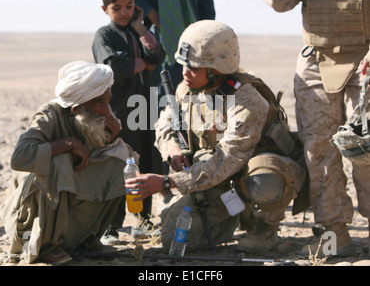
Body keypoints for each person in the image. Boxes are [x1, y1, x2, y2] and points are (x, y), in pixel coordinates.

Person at [125, 20, 307, 253]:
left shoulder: (245, 99)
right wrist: (173, 150)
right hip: (215, 178)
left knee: (263, 178)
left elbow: (230, 157)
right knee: (174, 238)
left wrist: (167, 182)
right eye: (184, 65)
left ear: (216, 70)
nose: (184, 73)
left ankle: (264, 230)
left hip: (253, 173)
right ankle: (235, 213)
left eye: (193, 68)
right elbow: (164, 124)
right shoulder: (185, 90)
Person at [263, 0, 370, 256]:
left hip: (366, 55)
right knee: (319, 149)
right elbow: (280, 1)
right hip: (317, 58)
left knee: (366, 148)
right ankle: (335, 232)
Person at [0, 61, 137, 265]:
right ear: (77, 106)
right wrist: (68, 144)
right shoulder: (49, 114)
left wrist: (110, 137)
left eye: (107, 102)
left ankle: (86, 237)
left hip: (69, 188)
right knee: (60, 162)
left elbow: (94, 157)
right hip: (34, 203)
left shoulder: (95, 116)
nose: (106, 111)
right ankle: (45, 244)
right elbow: (19, 158)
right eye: (101, 103)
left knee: (121, 157)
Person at [92, 0, 166, 244]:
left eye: (129, 6)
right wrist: (140, 63)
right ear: (105, 10)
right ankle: (111, 226)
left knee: (146, 161)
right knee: (118, 165)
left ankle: (144, 220)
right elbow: (112, 65)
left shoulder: (139, 30)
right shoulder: (105, 35)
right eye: (117, 8)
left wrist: (140, 27)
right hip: (118, 113)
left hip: (145, 110)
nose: (124, 12)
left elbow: (158, 57)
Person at [115, 0, 216, 101]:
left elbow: (206, 7)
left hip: (192, 45)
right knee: (160, 103)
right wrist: (150, 12)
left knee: (189, 102)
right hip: (157, 43)